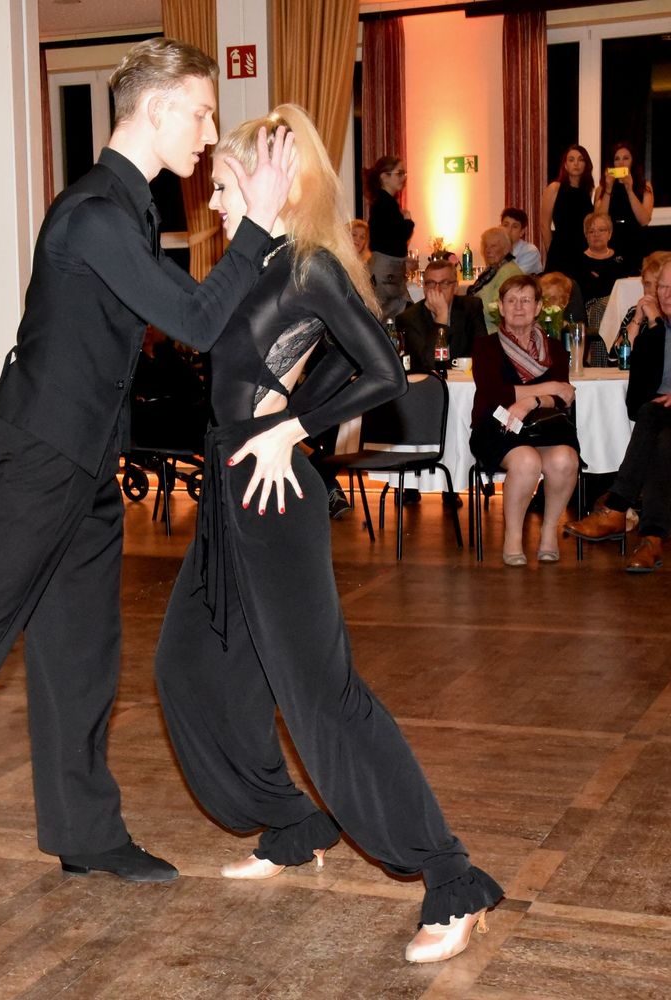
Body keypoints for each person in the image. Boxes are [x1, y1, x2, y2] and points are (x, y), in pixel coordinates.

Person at [0, 37, 295, 939]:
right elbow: (193, 319)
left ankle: (84, 832)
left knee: (81, 653)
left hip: (84, 460)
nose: (208, 133)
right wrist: (259, 223)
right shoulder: (94, 213)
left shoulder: (129, 208)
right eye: (200, 113)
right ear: (157, 109)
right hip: (36, 458)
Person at [155, 105, 502, 967]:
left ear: (275, 182)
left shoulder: (310, 268)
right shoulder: (251, 265)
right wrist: (277, 419)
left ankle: (450, 879)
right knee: (189, 667)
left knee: (322, 699)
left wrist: (292, 427)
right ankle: (293, 824)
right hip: (229, 491)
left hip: (274, 498)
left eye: (224, 187)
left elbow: (383, 369)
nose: (213, 203)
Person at [565, 259, 671, 571]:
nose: (666, 294)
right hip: (661, 421)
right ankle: (651, 541)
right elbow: (635, 401)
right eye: (662, 287)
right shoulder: (653, 336)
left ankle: (615, 509)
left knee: (653, 416)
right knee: (661, 438)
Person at [469, 274, 580, 566]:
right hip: (497, 427)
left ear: (538, 307)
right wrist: (549, 387)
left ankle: (549, 531)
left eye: (526, 300)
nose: (519, 307)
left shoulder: (555, 348)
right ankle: (513, 537)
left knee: (565, 459)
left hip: (545, 427)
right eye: (512, 301)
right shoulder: (485, 346)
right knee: (527, 461)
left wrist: (531, 401)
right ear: (501, 307)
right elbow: (495, 393)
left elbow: (564, 398)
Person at [396, 258, 487, 371]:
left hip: (466, 378)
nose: (437, 289)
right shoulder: (409, 318)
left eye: (445, 283)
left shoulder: (471, 307)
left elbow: (484, 354)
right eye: (431, 283)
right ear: (424, 288)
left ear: (455, 287)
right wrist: (441, 319)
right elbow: (428, 365)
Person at [365, 155, 413, 321]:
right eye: (399, 173)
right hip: (386, 272)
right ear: (384, 177)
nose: (403, 178)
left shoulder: (386, 202)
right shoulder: (384, 204)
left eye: (404, 174)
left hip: (389, 270)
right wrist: (408, 221)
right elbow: (398, 236)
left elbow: (389, 240)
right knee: (391, 318)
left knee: (398, 318)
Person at [593, 141, 654, 273]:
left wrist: (629, 190)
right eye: (617, 159)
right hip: (611, 241)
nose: (621, 163)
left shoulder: (644, 186)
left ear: (633, 161)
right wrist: (608, 190)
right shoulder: (602, 189)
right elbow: (599, 220)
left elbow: (644, 220)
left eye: (626, 158)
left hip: (636, 241)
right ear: (612, 163)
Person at [540, 144, 594, 277]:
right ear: (565, 165)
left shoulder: (587, 191)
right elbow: (544, 224)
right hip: (560, 249)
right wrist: (552, 251)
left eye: (580, 159)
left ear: (586, 165)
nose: (576, 163)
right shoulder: (554, 188)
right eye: (571, 160)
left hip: (583, 250)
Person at [468, 227, 522, 333]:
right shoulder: (492, 270)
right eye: (486, 246)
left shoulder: (509, 272)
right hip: (480, 328)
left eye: (493, 246)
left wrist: (468, 307)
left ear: (505, 249)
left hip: (493, 332)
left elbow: (495, 309)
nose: (487, 250)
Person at [615, 252, 670, 349]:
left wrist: (654, 321)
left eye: (658, 285)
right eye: (647, 284)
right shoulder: (634, 311)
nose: (652, 291)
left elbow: (661, 355)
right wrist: (637, 319)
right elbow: (617, 356)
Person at [500, 208, 542, 275]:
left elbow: (512, 277)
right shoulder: (497, 250)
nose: (509, 230)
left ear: (522, 232)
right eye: (506, 225)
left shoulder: (530, 251)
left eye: (515, 227)